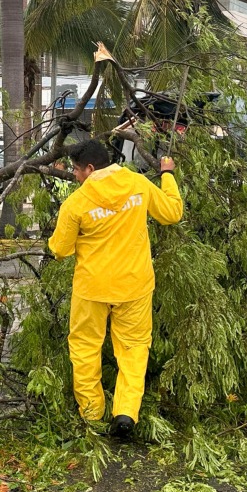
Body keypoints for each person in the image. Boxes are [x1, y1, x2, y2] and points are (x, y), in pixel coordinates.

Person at [48, 140, 184, 438]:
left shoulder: (77, 203)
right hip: (135, 285)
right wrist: (168, 174)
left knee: (85, 349)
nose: (74, 175)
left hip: (92, 288)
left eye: (76, 170)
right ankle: (125, 413)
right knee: (134, 349)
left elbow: (60, 249)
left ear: (90, 168)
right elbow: (172, 213)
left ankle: (92, 413)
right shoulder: (137, 184)